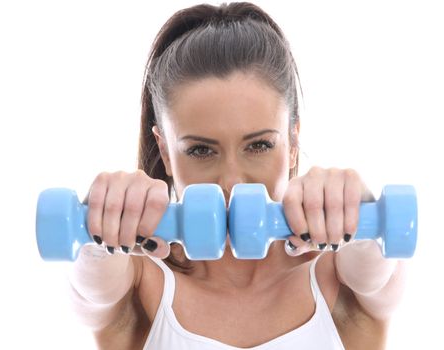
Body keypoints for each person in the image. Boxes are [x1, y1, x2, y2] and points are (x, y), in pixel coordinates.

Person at [68, 2, 407, 349]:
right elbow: (91, 291)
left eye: (259, 145)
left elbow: (379, 275)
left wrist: (359, 214)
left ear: (292, 142)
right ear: (166, 153)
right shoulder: (139, 281)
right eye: (201, 150)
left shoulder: (338, 274)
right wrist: (102, 228)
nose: (232, 182)